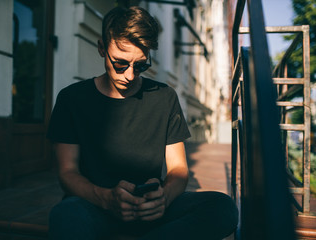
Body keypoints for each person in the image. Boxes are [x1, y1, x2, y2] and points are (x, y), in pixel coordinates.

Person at [47, 6, 238, 240]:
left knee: (222, 207)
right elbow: (67, 172)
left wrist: (164, 198)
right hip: (95, 206)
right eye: (120, 63)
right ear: (101, 48)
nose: (129, 75)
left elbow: (178, 170)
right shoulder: (72, 98)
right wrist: (106, 198)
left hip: (151, 212)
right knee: (65, 216)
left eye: (140, 66)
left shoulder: (164, 97)